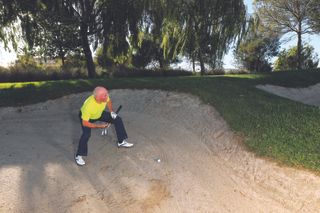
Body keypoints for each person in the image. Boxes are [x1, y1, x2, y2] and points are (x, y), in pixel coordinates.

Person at [75, 86, 133, 166]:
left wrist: (111, 111)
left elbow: (108, 102)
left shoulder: (104, 97)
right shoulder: (88, 106)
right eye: (105, 95)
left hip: (98, 113)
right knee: (86, 135)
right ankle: (79, 155)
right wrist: (100, 126)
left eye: (106, 94)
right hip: (87, 119)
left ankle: (121, 142)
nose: (107, 96)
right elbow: (85, 123)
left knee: (117, 119)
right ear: (98, 97)